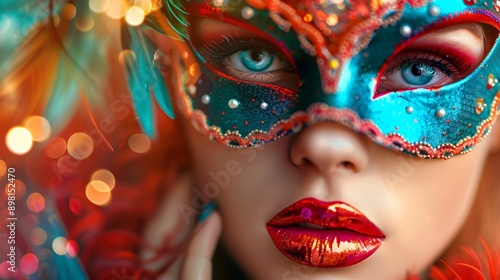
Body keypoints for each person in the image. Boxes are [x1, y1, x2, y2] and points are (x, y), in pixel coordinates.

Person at [1, 0, 500, 279]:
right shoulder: (18, 234)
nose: (325, 146)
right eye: (253, 57)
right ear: (168, 70)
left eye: (420, 70)